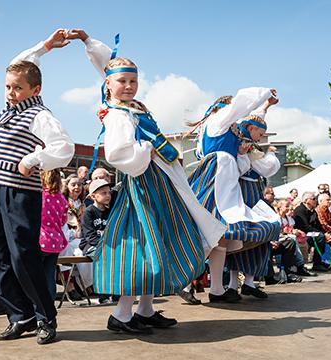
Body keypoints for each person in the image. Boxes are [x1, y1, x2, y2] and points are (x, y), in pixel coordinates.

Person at [70, 29, 224, 334]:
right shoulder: (116, 114)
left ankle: (144, 308)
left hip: (157, 185)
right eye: (122, 81)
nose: (128, 86)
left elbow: (108, 64)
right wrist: (147, 148)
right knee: (141, 249)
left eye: (133, 81)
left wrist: (90, 42)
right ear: (108, 85)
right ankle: (121, 314)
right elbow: (116, 153)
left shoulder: (134, 108)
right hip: (141, 187)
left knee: (160, 244)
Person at [0, 29, 75, 344]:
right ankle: (19, 316)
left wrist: (34, 159)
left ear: (35, 89)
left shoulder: (39, 115)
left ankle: (45, 317)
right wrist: (47, 45)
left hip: (20, 192)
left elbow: (65, 148)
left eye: (18, 88)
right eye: (8, 87)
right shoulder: (10, 106)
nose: (10, 92)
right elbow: (19, 62)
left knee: (23, 254)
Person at [184, 83, 281, 304]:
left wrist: (265, 105)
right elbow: (242, 106)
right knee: (211, 233)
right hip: (217, 179)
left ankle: (217, 289)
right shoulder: (218, 121)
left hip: (225, 180)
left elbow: (251, 117)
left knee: (222, 237)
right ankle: (185, 281)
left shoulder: (226, 130)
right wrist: (264, 93)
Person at [225, 99, 284, 299]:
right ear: (250, 129)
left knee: (258, 235)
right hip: (244, 193)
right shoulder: (243, 144)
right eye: (260, 134)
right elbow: (266, 167)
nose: (261, 137)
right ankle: (234, 284)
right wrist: (271, 155)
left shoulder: (248, 142)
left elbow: (255, 119)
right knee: (242, 234)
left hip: (254, 193)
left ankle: (248, 282)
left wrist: (266, 106)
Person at [81, 179, 112, 303]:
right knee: (104, 259)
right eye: (104, 193)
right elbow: (90, 236)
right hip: (90, 246)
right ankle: (103, 294)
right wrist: (105, 247)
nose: (108, 195)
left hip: (107, 246)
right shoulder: (88, 212)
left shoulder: (110, 211)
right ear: (93, 196)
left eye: (109, 193)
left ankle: (116, 292)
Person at [39, 169, 68, 301]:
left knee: (37, 274)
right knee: (50, 274)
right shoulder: (61, 198)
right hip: (56, 240)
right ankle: (49, 303)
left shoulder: (40, 195)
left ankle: (38, 304)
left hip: (41, 239)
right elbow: (63, 220)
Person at [293, 192, 331, 272]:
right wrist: (322, 234)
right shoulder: (299, 210)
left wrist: (325, 233)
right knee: (320, 236)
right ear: (307, 201)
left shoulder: (313, 211)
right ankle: (317, 263)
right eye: (314, 199)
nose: (316, 201)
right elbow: (305, 227)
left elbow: (318, 225)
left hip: (310, 232)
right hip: (302, 234)